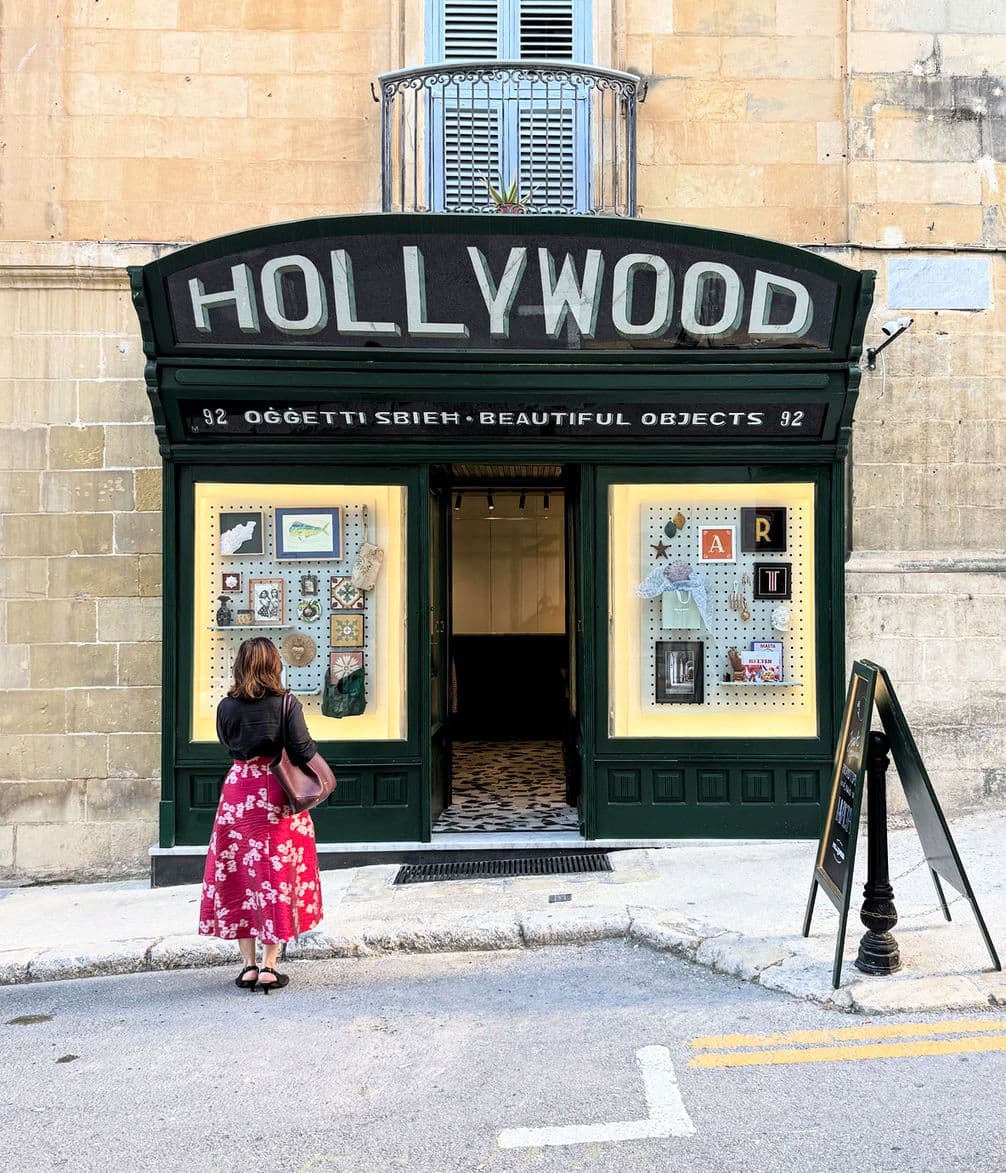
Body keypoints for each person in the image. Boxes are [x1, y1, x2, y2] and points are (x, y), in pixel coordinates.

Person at [198, 637, 323, 993]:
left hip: (238, 790)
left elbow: (227, 744)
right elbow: (302, 749)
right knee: (276, 874)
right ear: (274, 665)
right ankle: (270, 965)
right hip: (276, 791)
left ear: (240, 665)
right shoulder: (286, 703)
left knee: (240, 875)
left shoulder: (226, 706)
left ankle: (248, 967)